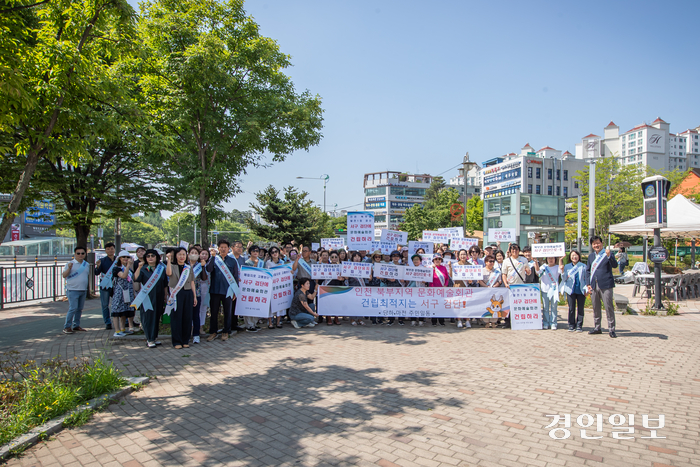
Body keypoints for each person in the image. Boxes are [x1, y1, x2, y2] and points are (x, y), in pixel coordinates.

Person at [206, 239, 240, 342]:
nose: (223, 249)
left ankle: (226, 331)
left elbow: (235, 276)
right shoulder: (214, 259)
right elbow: (209, 269)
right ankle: (213, 332)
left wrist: (235, 291)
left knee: (227, 312)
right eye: (221, 247)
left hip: (228, 290)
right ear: (218, 248)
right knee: (214, 312)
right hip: (215, 290)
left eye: (225, 247)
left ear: (228, 249)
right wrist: (212, 257)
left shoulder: (232, 261)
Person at [133, 249, 168, 348]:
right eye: (148, 256)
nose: (150, 258)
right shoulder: (143, 268)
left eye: (153, 256)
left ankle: (154, 337)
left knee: (157, 317)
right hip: (147, 297)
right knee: (148, 318)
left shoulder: (161, 269)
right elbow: (136, 279)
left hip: (159, 296)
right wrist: (139, 268)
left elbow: (165, 283)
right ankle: (149, 338)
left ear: (157, 257)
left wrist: (165, 296)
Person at [587, 236, 618, 338]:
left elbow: (614, 265)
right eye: (594, 244)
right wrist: (588, 284)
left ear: (601, 243)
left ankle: (611, 329)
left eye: (598, 243)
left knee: (608, 307)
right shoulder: (591, 256)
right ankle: (597, 327)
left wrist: (609, 256)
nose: (596, 245)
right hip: (593, 285)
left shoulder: (607, 253)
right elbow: (588, 271)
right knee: (595, 306)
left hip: (606, 284)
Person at [165, 248, 197, 349]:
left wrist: (194, 296)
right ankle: (176, 341)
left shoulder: (188, 267)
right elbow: (168, 273)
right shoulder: (172, 266)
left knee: (187, 317)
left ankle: (185, 340)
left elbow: (192, 282)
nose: (182, 256)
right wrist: (169, 260)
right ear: (176, 256)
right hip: (176, 293)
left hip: (188, 293)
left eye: (184, 254)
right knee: (176, 317)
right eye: (179, 254)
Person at [62, 246, 90, 334]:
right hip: (72, 290)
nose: (80, 255)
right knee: (73, 308)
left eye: (82, 253)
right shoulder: (70, 264)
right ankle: (67, 327)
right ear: (75, 254)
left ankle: (76, 325)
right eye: (78, 253)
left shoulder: (86, 264)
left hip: (83, 290)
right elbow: (64, 275)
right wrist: (69, 268)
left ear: (85, 254)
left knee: (79, 309)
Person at [559, 250, 588, 333]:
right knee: (571, 308)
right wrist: (562, 271)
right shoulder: (567, 266)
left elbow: (586, 279)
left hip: (581, 290)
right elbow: (564, 278)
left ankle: (579, 325)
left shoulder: (583, 266)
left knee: (581, 308)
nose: (574, 257)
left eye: (576, 255)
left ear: (579, 256)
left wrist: (587, 289)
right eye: (572, 255)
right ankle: (571, 325)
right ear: (570, 257)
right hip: (570, 290)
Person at [111, 251, 136, 337]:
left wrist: (133, 293)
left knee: (125, 311)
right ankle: (117, 331)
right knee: (117, 311)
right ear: (119, 259)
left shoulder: (129, 269)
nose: (126, 259)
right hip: (119, 292)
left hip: (128, 292)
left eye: (127, 257)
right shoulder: (117, 268)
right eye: (123, 257)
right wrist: (128, 266)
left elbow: (131, 281)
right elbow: (123, 276)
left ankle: (123, 329)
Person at [187, 246, 208, 343]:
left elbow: (204, 278)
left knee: (196, 315)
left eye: (196, 253)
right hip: (186, 293)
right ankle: (186, 334)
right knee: (186, 315)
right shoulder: (184, 265)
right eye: (192, 252)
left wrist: (203, 267)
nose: (194, 254)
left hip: (197, 293)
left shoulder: (199, 265)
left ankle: (196, 334)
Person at [94, 242, 116, 329]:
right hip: (105, 285)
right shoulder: (102, 261)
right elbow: (96, 273)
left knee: (118, 303)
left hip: (116, 285)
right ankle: (107, 322)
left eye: (112, 248)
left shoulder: (118, 260)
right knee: (104, 304)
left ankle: (122, 321)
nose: (110, 250)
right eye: (108, 249)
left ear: (114, 249)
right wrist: (98, 266)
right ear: (105, 250)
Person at [478, 254, 502, 328]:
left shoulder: (497, 271)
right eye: (490, 261)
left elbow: (499, 281)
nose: (491, 263)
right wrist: (486, 286)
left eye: (493, 261)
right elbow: (479, 281)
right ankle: (486, 322)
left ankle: (494, 322)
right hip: (484, 291)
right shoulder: (481, 270)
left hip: (494, 292)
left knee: (494, 306)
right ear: (485, 262)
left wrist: (494, 286)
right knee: (486, 307)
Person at [265, 246, 286, 328]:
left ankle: (278, 322)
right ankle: (270, 322)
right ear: (270, 254)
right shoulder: (268, 263)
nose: (274, 254)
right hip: (271, 286)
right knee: (270, 305)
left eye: (276, 252)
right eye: (272, 252)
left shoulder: (283, 262)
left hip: (280, 286)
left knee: (279, 304)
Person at [539, 256, 561, 330]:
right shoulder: (543, 267)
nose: (551, 260)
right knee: (545, 307)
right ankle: (545, 323)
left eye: (552, 258)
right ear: (546, 259)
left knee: (554, 307)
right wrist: (535, 262)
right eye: (549, 258)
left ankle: (553, 323)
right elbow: (538, 273)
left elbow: (562, 271)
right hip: (545, 289)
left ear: (555, 259)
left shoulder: (557, 267)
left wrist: (561, 259)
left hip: (554, 289)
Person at [230, 241, 247, 332]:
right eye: (237, 247)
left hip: (240, 285)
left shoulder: (242, 259)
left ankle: (234, 323)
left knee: (236, 304)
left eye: (241, 247)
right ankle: (228, 324)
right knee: (230, 305)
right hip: (231, 284)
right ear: (232, 247)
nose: (240, 249)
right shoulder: (229, 257)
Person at [453, 249, 472, 329]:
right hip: (458, 286)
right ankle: (459, 320)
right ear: (458, 256)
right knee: (458, 304)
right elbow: (451, 276)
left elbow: (472, 278)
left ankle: (467, 320)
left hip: (466, 287)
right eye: (461, 254)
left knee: (467, 305)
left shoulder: (470, 265)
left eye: (464, 254)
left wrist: (471, 280)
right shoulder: (455, 265)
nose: (463, 256)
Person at [346, 251, 366, 326]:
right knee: (352, 304)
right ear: (352, 258)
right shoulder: (349, 266)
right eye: (355, 257)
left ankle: (360, 319)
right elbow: (346, 278)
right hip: (352, 287)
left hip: (361, 287)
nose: (357, 258)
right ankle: (352, 319)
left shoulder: (364, 266)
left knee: (361, 303)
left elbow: (368, 278)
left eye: (358, 257)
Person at [429, 253, 449, 326]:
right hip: (433, 289)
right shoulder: (430, 268)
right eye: (436, 259)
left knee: (441, 305)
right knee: (434, 305)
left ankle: (441, 321)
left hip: (442, 290)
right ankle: (433, 321)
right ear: (433, 260)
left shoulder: (444, 268)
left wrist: (446, 285)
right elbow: (427, 277)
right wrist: (432, 269)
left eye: (439, 259)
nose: (437, 260)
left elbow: (447, 278)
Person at [407, 253, 427, 327]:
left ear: (420, 261)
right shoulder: (410, 269)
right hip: (412, 290)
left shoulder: (424, 268)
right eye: (414, 260)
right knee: (413, 305)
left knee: (421, 304)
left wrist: (425, 281)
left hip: (421, 289)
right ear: (412, 261)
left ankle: (421, 320)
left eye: (417, 259)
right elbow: (406, 280)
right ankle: (413, 320)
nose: (416, 261)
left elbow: (427, 279)